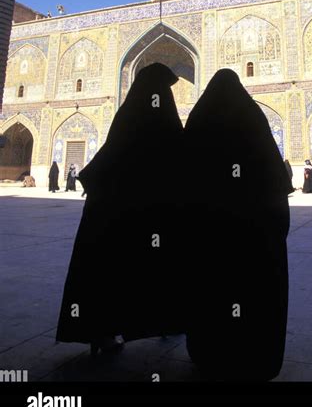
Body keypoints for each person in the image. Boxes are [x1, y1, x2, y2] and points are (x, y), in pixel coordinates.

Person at [56, 63, 186, 354]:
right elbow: (179, 158)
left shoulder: (127, 115)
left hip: (112, 211)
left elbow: (111, 151)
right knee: (154, 268)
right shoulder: (164, 117)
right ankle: (163, 320)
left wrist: (94, 179)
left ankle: (99, 332)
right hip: (152, 212)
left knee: (107, 271)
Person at [184, 69, 292, 381]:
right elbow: (274, 179)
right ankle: (257, 357)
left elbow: (183, 176)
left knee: (212, 292)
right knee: (254, 293)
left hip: (208, 233)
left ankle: (210, 354)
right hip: (255, 233)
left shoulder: (200, 119)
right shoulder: (251, 118)